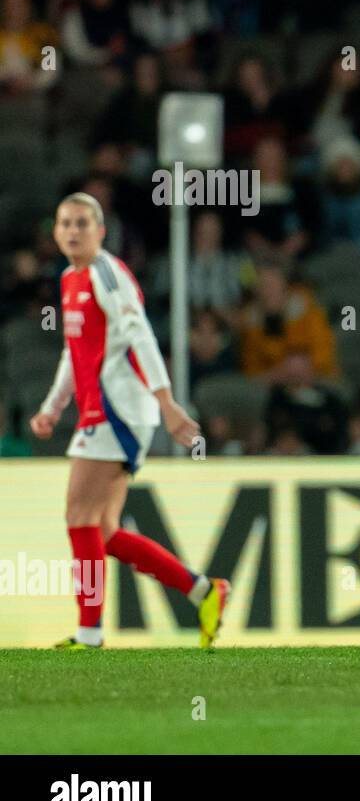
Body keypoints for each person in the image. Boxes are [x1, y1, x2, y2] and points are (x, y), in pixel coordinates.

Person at [28, 193, 231, 650]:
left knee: (78, 516)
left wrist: (167, 403)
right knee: (104, 531)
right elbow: (73, 350)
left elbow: (140, 334)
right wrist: (53, 406)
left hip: (118, 412)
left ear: (101, 231)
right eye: (65, 224)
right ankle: (203, 591)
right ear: (56, 233)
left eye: (83, 223)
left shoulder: (105, 274)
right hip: (104, 410)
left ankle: (90, 633)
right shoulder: (69, 277)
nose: (74, 231)